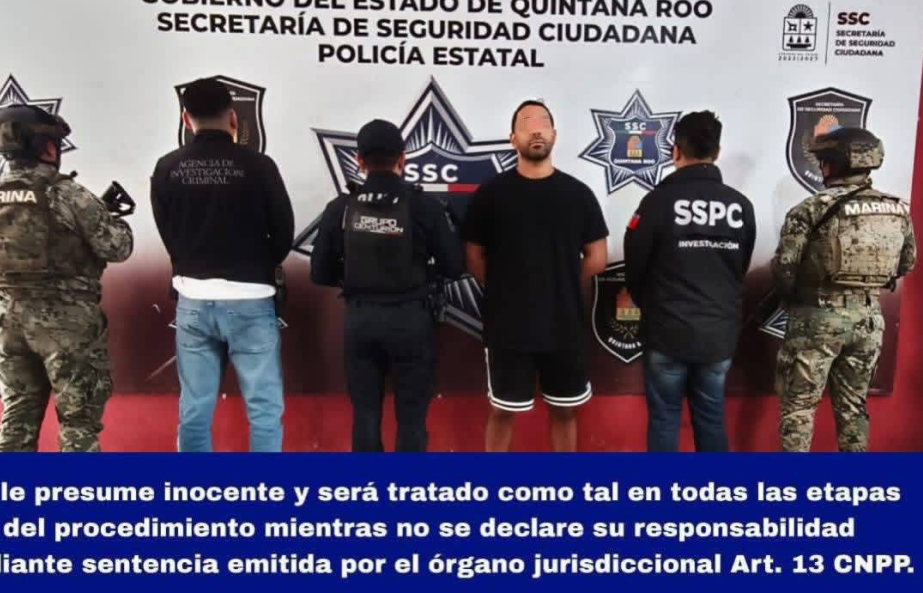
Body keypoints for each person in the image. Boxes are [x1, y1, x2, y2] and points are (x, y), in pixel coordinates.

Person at [0, 104, 133, 451]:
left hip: (4, 325)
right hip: (67, 326)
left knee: (16, 417)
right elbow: (118, 248)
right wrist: (112, 221)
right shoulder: (67, 194)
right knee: (78, 426)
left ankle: (8, 488)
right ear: (48, 147)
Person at [151, 77, 294, 452]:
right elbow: (284, 233)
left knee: (194, 409)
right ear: (234, 118)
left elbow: (168, 233)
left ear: (185, 119)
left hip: (193, 298)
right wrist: (257, 264)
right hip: (252, 298)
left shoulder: (167, 167)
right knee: (264, 409)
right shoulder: (259, 165)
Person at [463, 100, 608, 452]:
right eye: (527, 124)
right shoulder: (490, 195)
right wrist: (507, 287)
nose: (536, 129)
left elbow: (598, 258)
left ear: (554, 135)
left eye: (543, 122)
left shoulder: (578, 195)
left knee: (565, 412)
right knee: (501, 411)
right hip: (507, 329)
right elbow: (473, 258)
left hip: (564, 327)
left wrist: (560, 282)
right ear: (513, 138)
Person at [310, 119, 464, 452]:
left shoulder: (341, 208)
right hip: (411, 321)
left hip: (360, 320)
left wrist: (354, 276)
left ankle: (369, 485)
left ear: (359, 161)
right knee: (411, 420)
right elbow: (454, 267)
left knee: (365, 416)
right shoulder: (425, 207)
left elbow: (319, 273)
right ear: (402, 159)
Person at [773, 127, 915, 452]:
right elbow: (907, 264)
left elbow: (785, 269)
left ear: (832, 164)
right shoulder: (897, 210)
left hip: (816, 319)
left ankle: (791, 483)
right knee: (853, 408)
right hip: (869, 321)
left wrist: (796, 298)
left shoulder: (810, 208)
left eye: (823, 160)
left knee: (799, 409)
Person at [623, 111, 756, 452]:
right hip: (717, 337)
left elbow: (634, 270)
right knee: (710, 418)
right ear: (717, 152)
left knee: (665, 419)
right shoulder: (740, 206)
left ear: (675, 151)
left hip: (667, 334)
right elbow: (739, 269)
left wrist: (653, 307)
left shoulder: (657, 202)